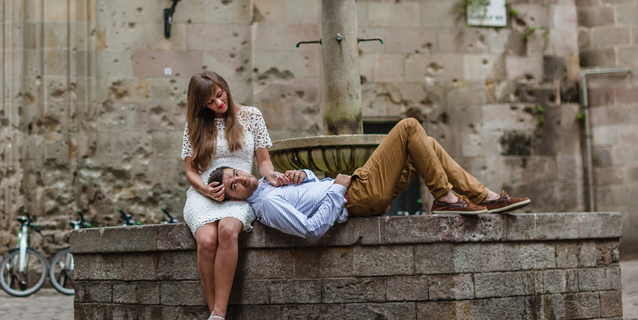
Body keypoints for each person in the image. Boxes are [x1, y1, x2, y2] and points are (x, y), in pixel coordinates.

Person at [210, 118, 530, 240]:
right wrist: (337, 187)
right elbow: (310, 230)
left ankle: (484, 196)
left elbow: (310, 188)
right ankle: (445, 198)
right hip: (355, 195)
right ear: (232, 197)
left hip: (357, 191)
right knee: (407, 127)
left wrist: (302, 175)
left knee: (427, 145)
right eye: (233, 185)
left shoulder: (269, 184)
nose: (241, 179)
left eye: (237, 172)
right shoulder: (265, 206)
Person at [181, 70, 292, 320]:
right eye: (210, 102)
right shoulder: (195, 125)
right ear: (200, 105)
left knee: (228, 231)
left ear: (225, 88)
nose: (218, 104)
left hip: (240, 190)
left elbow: (264, 162)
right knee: (206, 240)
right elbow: (190, 170)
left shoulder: (251, 116)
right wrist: (206, 190)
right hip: (204, 194)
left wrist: (272, 177)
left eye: (220, 95)